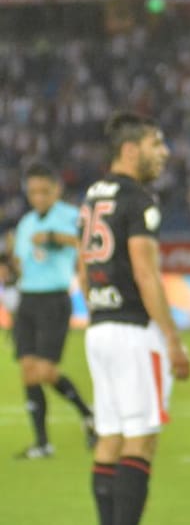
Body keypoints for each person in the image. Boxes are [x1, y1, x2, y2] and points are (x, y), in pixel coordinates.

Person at [80, 112, 190, 525]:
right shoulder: (138, 200)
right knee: (140, 441)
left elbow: (82, 268)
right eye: (155, 144)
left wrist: (99, 307)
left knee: (110, 438)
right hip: (133, 332)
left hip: (100, 327)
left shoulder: (92, 196)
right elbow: (146, 274)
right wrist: (173, 339)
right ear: (130, 150)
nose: (164, 153)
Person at [10, 162, 96, 459]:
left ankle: (88, 414)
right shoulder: (26, 223)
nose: (38, 197)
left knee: (46, 371)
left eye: (44, 191)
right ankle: (42, 443)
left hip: (54, 299)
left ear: (56, 190)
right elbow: (20, 260)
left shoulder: (70, 216)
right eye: (33, 192)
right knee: (28, 371)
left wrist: (52, 238)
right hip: (28, 300)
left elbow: (83, 242)